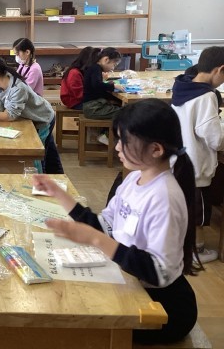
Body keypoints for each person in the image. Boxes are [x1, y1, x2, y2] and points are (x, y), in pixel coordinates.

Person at [35, 99, 199, 345]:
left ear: (156, 149)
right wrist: (59, 194)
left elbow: (158, 272)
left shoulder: (164, 197)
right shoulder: (133, 180)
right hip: (130, 282)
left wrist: (95, 239)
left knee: (75, 326)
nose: (117, 147)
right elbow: (106, 225)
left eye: (125, 141)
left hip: (163, 308)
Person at [171, 46, 224, 263]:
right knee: (198, 213)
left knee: (184, 207)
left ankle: (182, 246)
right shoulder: (206, 96)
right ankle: (196, 251)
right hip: (196, 165)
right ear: (219, 69)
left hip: (179, 161)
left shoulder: (182, 87)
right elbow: (215, 138)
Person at [0, 57, 63, 174]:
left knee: (36, 154)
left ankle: (40, 179)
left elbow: (9, 116)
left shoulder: (18, 88)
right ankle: (56, 174)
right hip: (28, 119)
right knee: (49, 153)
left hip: (42, 119)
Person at [82, 46, 124, 121]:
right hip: (93, 108)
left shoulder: (94, 67)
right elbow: (97, 85)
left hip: (94, 106)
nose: (113, 68)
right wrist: (114, 86)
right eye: (114, 65)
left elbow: (97, 87)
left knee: (122, 108)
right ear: (106, 60)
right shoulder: (96, 68)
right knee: (125, 112)